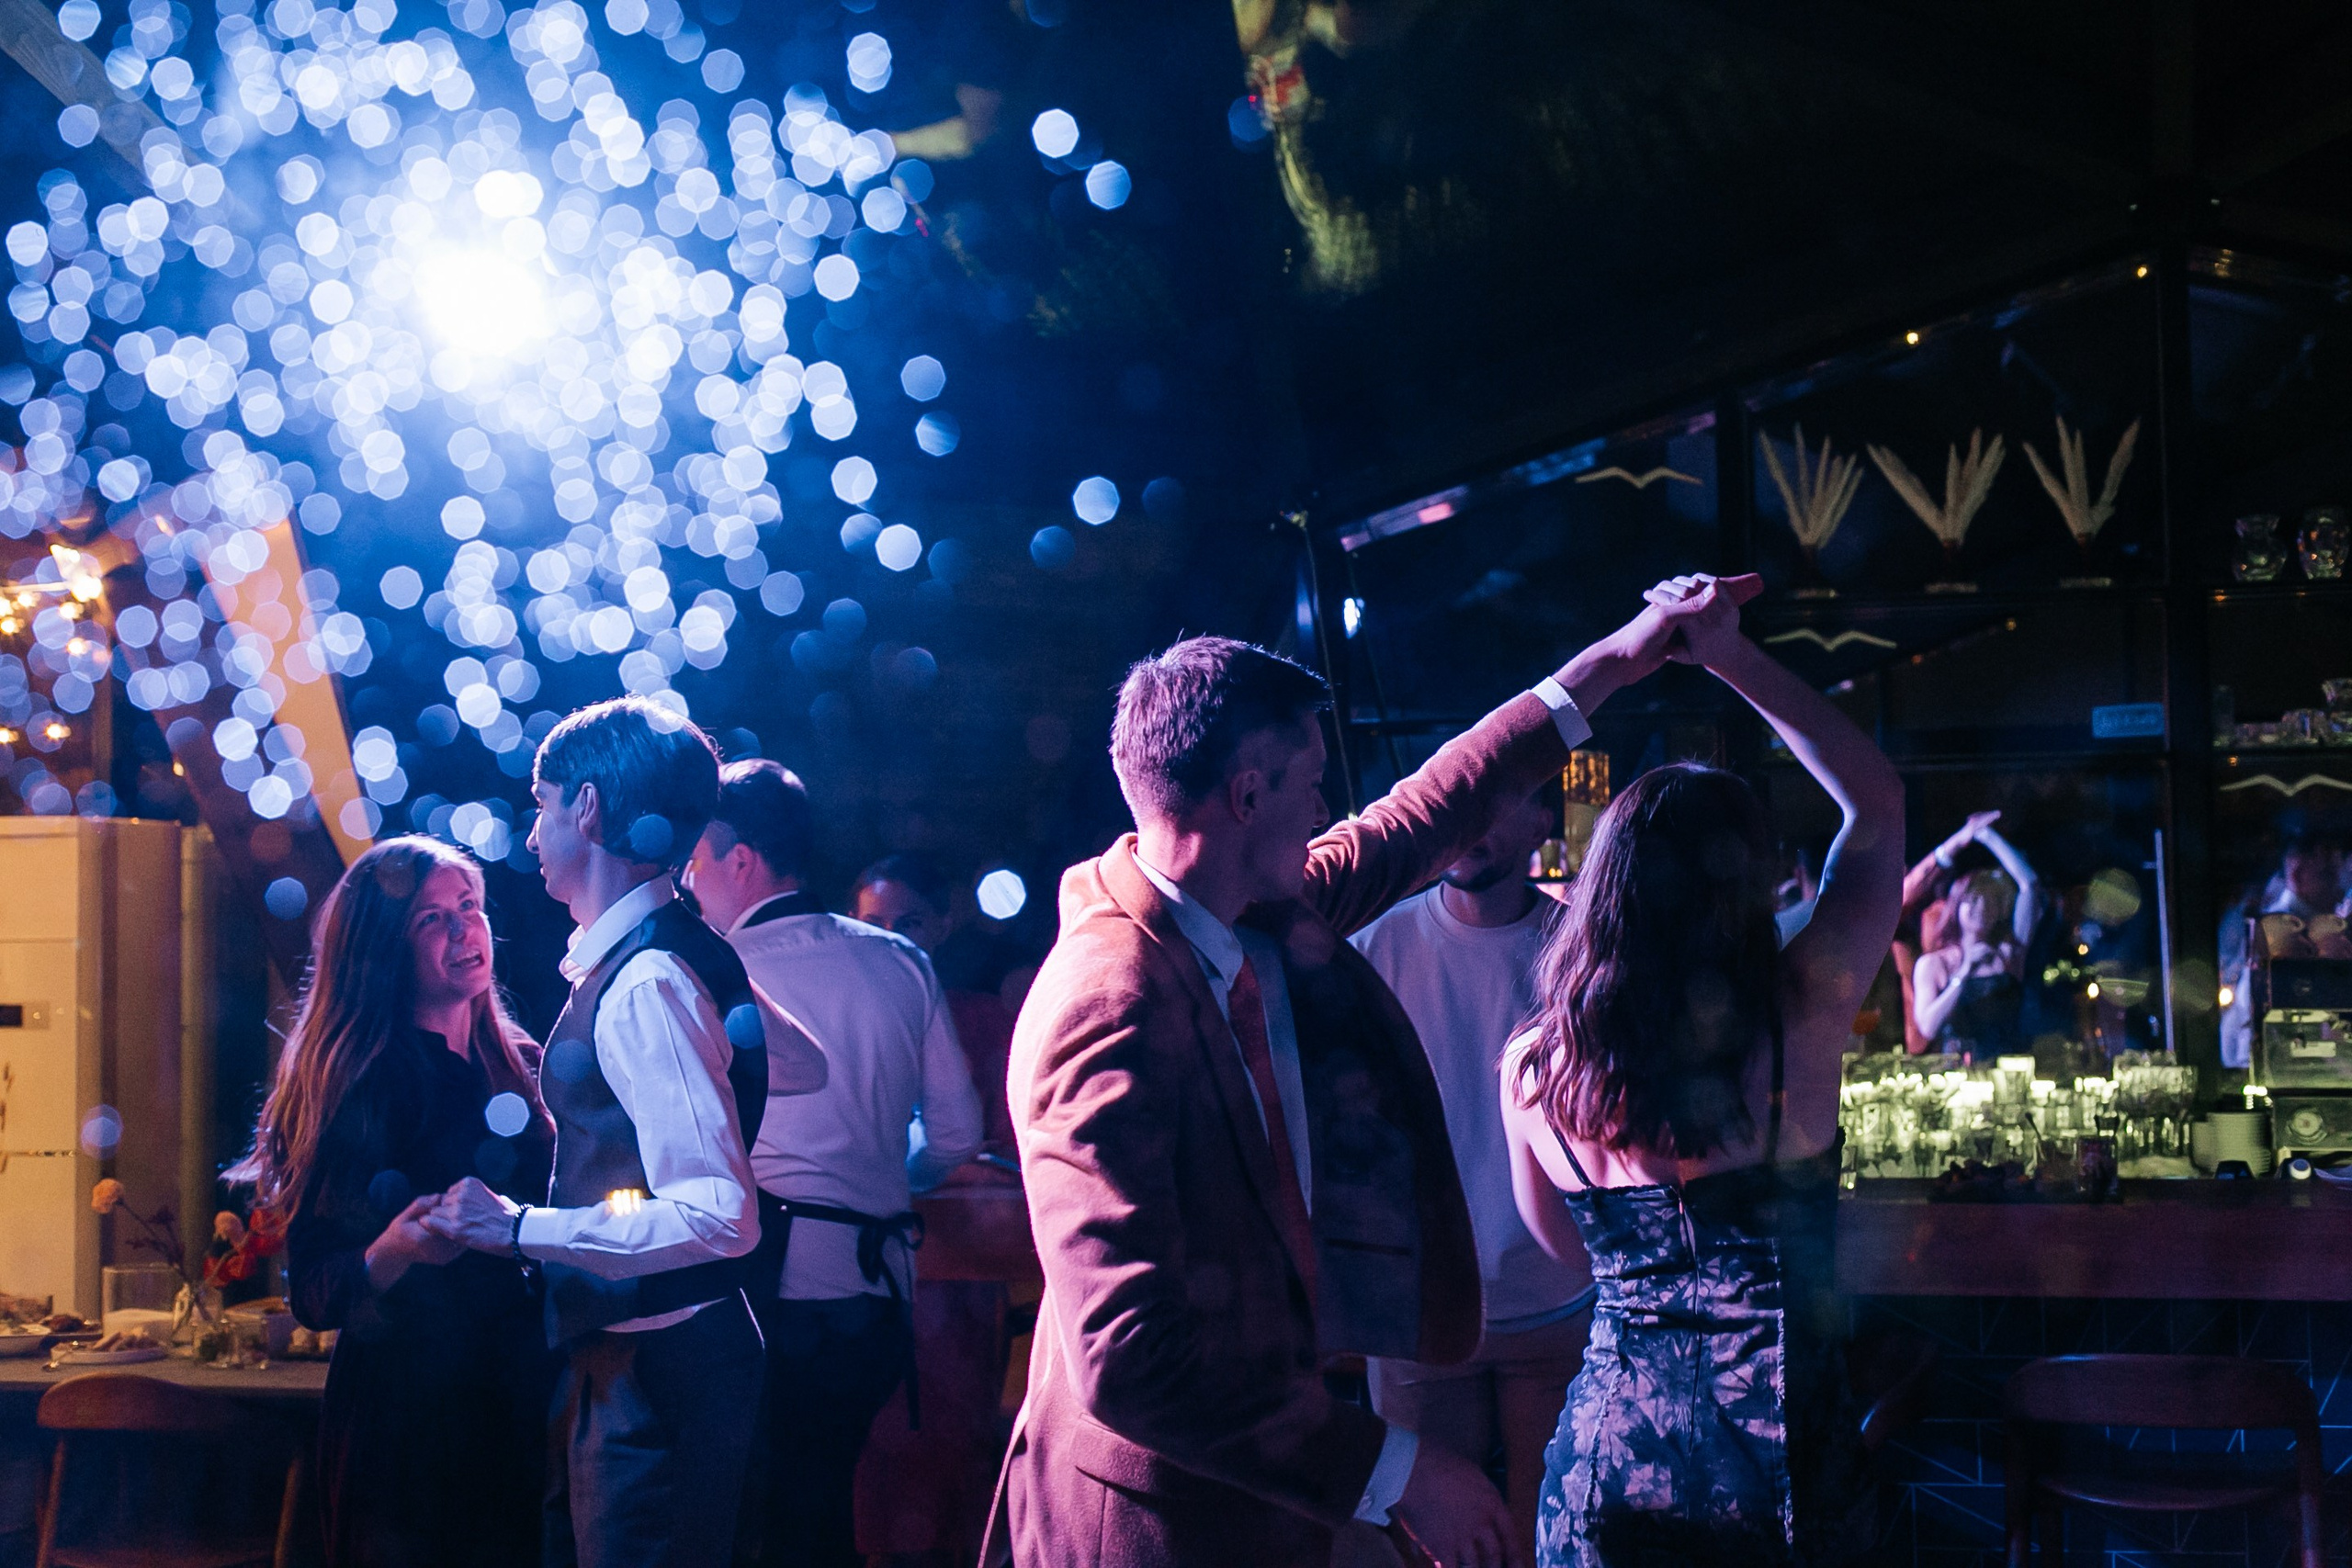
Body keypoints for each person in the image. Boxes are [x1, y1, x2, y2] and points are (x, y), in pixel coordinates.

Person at [985, 576, 1753, 1568]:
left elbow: (1429, 808)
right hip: (1154, 1521)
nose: (1325, 806)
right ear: (1245, 795)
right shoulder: (1110, 1001)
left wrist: (1623, 656)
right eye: (1309, 784)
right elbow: (1125, 1355)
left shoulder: (1246, 909)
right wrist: (1391, 1469)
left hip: (1254, 1497)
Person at [1500, 572, 1905, 1568]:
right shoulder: (1797, 1015)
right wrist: (1731, 654)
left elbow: (1562, 1253)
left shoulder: (1531, 1063)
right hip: (1779, 1471)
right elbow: (1878, 804)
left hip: (1608, 1463)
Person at [425, 697, 826, 1568]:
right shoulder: (669, 952)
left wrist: (522, 1227)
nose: (531, 836)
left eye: (542, 803)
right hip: (655, 1364)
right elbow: (805, 1066)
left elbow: (721, 1213)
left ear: (590, 808)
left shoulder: (645, 975)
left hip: (660, 1377)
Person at [680, 760, 989, 1568]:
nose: (686, 879)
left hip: (763, 1296)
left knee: (755, 1526)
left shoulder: (713, 971)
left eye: (694, 859)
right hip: (879, 1296)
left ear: (738, 858)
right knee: (820, 1515)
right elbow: (957, 1135)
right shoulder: (899, 960)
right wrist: (881, 1177)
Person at [232, 837, 555, 1568]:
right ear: (383, 950)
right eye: (431, 919)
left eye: (468, 907)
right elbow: (315, 1291)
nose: (463, 929)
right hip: (409, 1424)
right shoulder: (358, 1086)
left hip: (519, 1401)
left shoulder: (526, 1066)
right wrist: (395, 1249)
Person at [1349, 778, 1595, 1558]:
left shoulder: (1578, 948)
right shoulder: (1375, 944)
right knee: (1428, 1548)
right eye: (1459, 808)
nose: (1469, 829)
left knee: (1547, 1543)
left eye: (1494, 804)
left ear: (1539, 819)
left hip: (1556, 1297)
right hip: (1422, 1305)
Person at [1909, 817, 2041, 1058]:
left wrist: (1987, 836)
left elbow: (2029, 885)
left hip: (2010, 1071)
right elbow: (1927, 1026)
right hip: (1958, 1076)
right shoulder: (1934, 964)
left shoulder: (2009, 951)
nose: (1980, 908)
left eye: (1988, 901)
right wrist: (1963, 974)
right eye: (1972, 900)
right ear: (1956, 906)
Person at [2219, 834, 2349, 1066]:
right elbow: (2256, 1010)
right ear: (2297, 874)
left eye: (2341, 874)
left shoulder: (2328, 925)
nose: (2341, 886)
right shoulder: (2278, 930)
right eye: (2328, 874)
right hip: (2275, 1065)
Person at [1889, 813, 1997, 1054]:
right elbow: (1907, 892)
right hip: (1909, 1038)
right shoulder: (1905, 919)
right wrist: (1958, 840)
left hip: (1958, 1040)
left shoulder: (1964, 915)